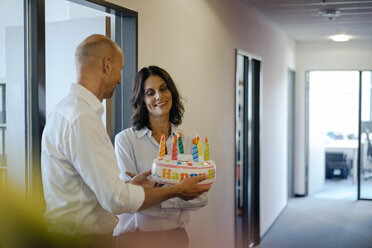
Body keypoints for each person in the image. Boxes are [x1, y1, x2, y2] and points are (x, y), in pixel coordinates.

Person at [41, 34, 210, 248]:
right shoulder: (82, 118)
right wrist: (176, 190)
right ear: (107, 64)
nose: (120, 79)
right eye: (120, 69)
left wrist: (130, 186)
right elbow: (117, 199)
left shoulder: (68, 112)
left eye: (163, 88)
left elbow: (102, 189)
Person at [114, 66, 208, 248]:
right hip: (135, 240)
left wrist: (152, 193)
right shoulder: (125, 140)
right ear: (142, 99)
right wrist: (180, 191)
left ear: (171, 91)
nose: (159, 96)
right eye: (150, 92)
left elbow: (201, 198)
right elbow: (129, 201)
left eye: (163, 88)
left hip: (176, 238)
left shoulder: (187, 142)